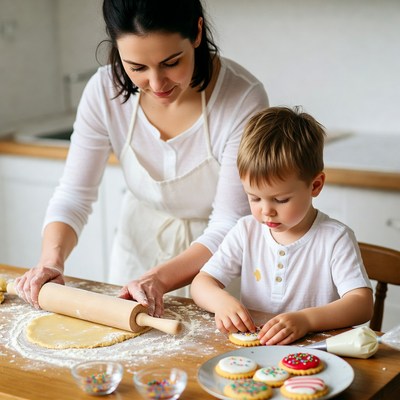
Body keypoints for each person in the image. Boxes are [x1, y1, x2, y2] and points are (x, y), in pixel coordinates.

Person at [14, 0, 268, 316]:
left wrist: (158, 278)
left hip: (218, 265)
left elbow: (230, 220)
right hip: (138, 250)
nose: (157, 84)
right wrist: (50, 261)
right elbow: (74, 195)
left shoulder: (242, 98)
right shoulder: (103, 92)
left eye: (172, 62)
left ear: (197, 32)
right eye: (136, 68)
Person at [191, 106, 373, 345]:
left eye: (280, 199)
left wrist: (306, 320)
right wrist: (221, 301)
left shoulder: (335, 238)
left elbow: (361, 304)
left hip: (316, 352)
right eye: (254, 198)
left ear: (315, 185)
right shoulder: (246, 231)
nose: (266, 210)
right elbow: (201, 284)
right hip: (257, 351)